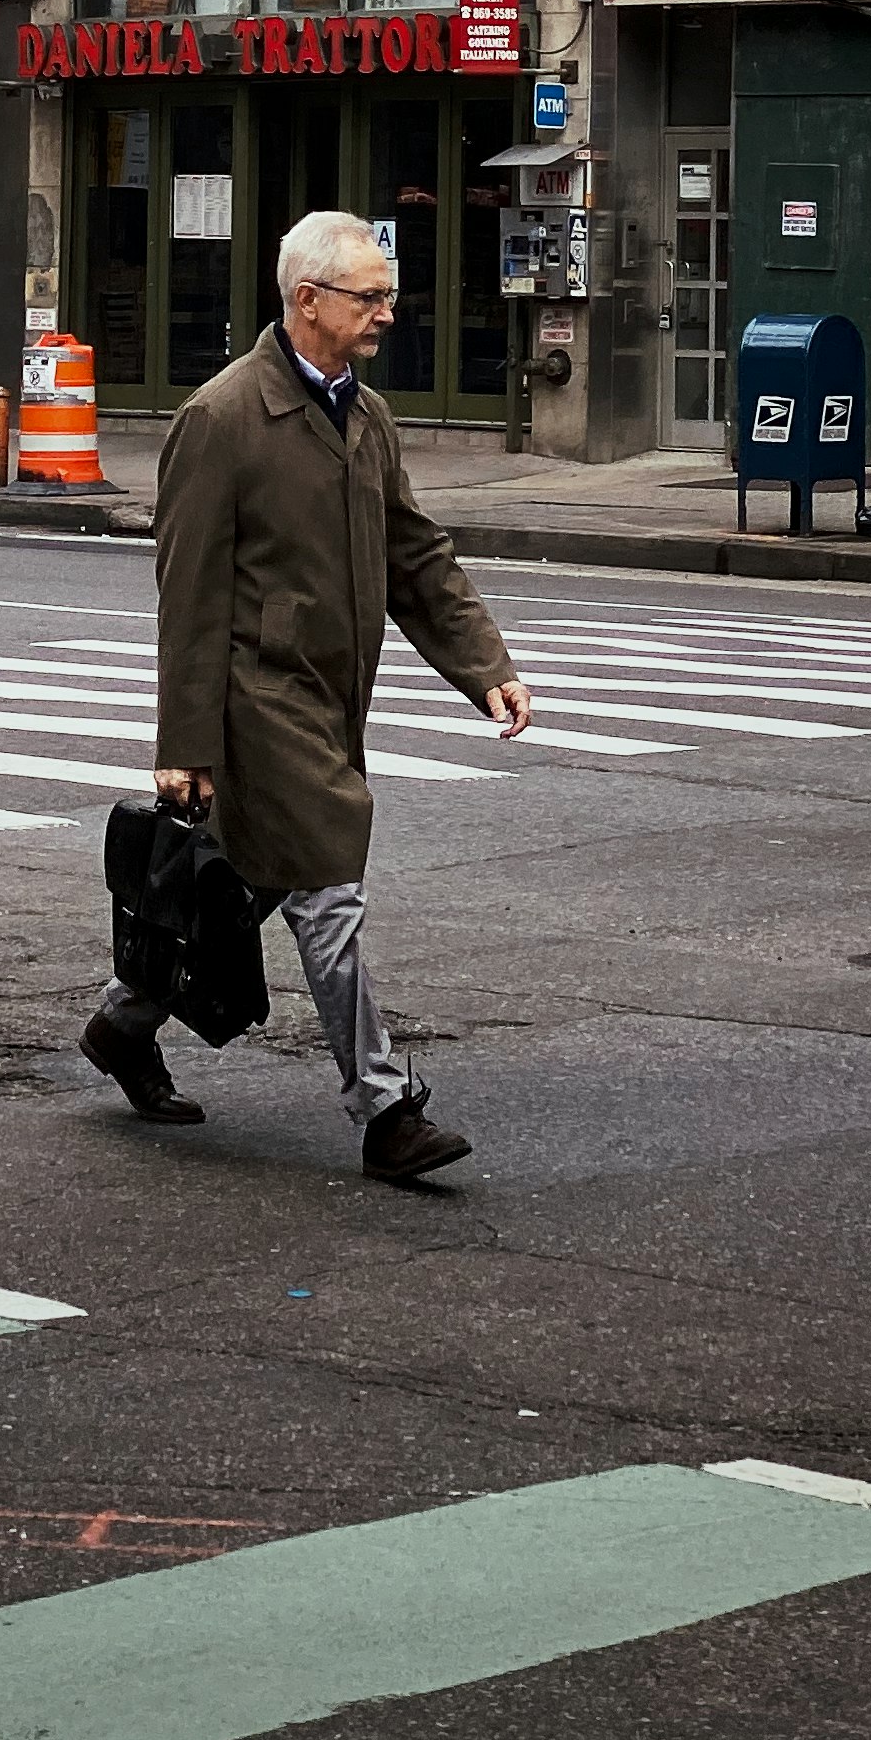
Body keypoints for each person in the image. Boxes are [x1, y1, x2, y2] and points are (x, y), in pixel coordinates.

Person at [82, 207, 535, 1185]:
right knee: (328, 886)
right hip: (258, 701)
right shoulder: (222, 418)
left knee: (255, 880)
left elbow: (414, 555)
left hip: (331, 699)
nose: (388, 311)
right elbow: (188, 594)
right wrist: (186, 740)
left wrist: (484, 664)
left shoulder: (364, 417)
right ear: (307, 301)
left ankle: (125, 1021)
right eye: (371, 296)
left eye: (387, 294)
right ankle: (384, 1110)